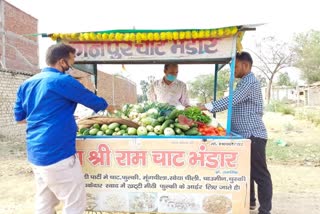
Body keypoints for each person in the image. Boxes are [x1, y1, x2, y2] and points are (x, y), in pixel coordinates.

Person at [14, 43, 108, 214]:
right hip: (58, 153)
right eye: (72, 61)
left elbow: (19, 119)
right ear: (62, 62)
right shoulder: (63, 81)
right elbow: (97, 103)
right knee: (74, 203)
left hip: (35, 153)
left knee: (45, 202)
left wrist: (47, 116)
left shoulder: (26, 84)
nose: (72, 65)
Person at [200, 51, 273, 214]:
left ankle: (265, 210)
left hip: (253, 134)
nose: (233, 70)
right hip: (245, 136)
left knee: (260, 174)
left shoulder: (250, 81)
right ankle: (251, 203)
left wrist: (205, 106)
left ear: (246, 65)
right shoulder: (244, 82)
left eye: (236, 66)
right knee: (248, 172)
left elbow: (230, 100)